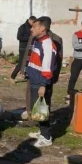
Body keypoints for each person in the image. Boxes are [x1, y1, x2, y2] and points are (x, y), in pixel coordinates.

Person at [25, 16, 59, 148]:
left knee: (42, 109)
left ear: (42, 28)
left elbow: (48, 66)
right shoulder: (37, 41)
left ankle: (46, 137)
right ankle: (41, 131)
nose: (31, 29)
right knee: (36, 108)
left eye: (34, 26)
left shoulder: (48, 45)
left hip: (41, 82)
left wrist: (43, 85)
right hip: (34, 80)